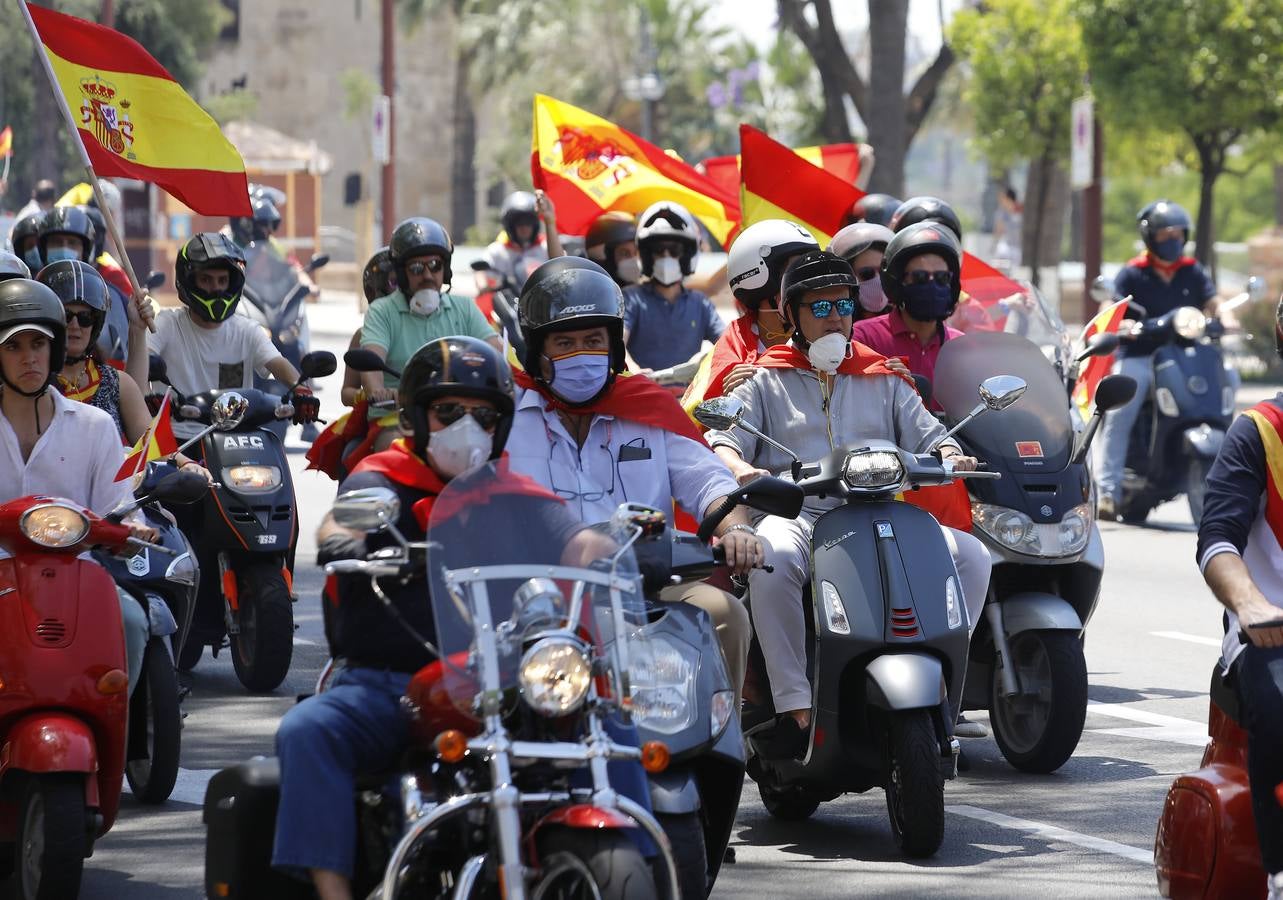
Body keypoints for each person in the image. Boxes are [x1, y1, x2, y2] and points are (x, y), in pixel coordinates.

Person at [273, 335, 614, 899]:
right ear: (416, 417)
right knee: (309, 731)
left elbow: (579, 542)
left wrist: (634, 548)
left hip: (507, 685)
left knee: (611, 726)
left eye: (484, 415)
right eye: (449, 411)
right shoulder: (382, 477)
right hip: (390, 685)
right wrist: (344, 540)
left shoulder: (514, 492)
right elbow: (344, 521)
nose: (467, 426)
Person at [704, 250, 992, 758]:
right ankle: (794, 704)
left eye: (843, 304)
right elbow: (725, 436)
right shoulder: (764, 377)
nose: (835, 316)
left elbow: (930, 433)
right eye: (820, 307)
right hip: (800, 514)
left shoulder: (883, 376)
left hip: (881, 511)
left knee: (971, 556)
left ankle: (944, 686)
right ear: (791, 316)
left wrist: (949, 451)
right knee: (774, 556)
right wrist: (738, 464)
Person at [506, 256, 762, 707]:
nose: (581, 354)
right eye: (564, 343)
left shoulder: (648, 409)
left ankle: (717, 758)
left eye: (593, 341)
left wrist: (736, 528)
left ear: (613, 347)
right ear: (536, 350)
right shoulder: (504, 419)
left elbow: (709, 481)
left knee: (726, 614)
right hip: (538, 592)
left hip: (646, 585)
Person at [0, 278, 152, 694]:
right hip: (2, 581)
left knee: (135, 622)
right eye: (13, 347)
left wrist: (131, 529)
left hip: (78, 577)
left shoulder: (96, 426)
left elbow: (118, 506)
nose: (28, 358)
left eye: (37, 344)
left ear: (53, 349)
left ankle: (126, 747)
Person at [1195, 297, 1283, 898]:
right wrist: (1250, 604)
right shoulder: (1259, 433)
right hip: (1273, 636)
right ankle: (1281, 872)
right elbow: (1217, 539)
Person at [1096, 199, 1217, 520]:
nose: (1173, 240)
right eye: (1165, 235)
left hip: (1183, 358)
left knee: (1227, 379)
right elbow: (1109, 310)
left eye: (1178, 234)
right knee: (1121, 409)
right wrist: (1120, 324)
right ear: (1151, 237)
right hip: (1140, 356)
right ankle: (1107, 491)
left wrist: (1225, 319)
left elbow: (1214, 304)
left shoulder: (1192, 270)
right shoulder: (1133, 273)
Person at [36, 260, 208, 478]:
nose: (75, 325)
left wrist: (187, 465)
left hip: (114, 506)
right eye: (65, 316)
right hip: (48, 507)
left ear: (96, 323)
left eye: (85, 317)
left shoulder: (116, 382)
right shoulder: (32, 383)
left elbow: (151, 446)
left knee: (166, 514)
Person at [147, 233, 319, 437]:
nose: (216, 288)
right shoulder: (167, 324)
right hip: (179, 439)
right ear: (189, 281)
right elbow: (144, 360)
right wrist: (147, 393)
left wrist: (301, 390)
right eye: (206, 280)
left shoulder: (246, 330)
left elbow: (278, 363)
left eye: (222, 280)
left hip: (236, 438)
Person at [359, 216, 497, 450]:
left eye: (435, 266)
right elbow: (372, 364)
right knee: (394, 449)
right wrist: (378, 391)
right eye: (416, 268)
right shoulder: (381, 311)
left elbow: (495, 353)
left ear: (446, 270)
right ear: (402, 274)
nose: (427, 275)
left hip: (459, 417)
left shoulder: (465, 308)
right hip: (398, 419)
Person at [683, 219, 818, 409]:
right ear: (759, 281)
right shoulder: (728, 354)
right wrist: (727, 400)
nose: (808, 286)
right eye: (795, 275)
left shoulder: (830, 335)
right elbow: (698, 423)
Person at [850, 221, 964, 393]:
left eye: (942, 278)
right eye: (920, 277)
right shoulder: (864, 339)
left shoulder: (961, 348)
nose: (932, 286)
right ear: (898, 282)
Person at [623, 200, 724, 376]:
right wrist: (634, 371)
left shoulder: (699, 303)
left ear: (687, 255)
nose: (666, 256)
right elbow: (617, 341)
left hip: (688, 399)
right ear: (647, 255)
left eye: (674, 249)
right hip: (643, 392)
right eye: (658, 249)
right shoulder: (631, 298)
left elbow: (727, 343)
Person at [482, 190, 563, 291]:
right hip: (507, 303)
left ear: (535, 224)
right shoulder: (497, 250)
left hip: (540, 301)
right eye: (519, 223)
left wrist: (549, 221)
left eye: (528, 222)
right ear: (510, 225)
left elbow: (561, 263)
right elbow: (481, 274)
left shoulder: (544, 246)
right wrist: (483, 285)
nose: (524, 227)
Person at [829, 221, 895, 321]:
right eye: (867, 273)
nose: (878, 280)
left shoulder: (906, 320)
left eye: (883, 272)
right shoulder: (832, 322)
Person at [584, 211, 641, 288]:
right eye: (624, 253)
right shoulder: (588, 293)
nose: (634, 260)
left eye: (636, 252)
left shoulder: (647, 293)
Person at [993, 186, 1023, 267]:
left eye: (1003, 198)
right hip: (1006, 246)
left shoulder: (1020, 211)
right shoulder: (1001, 213)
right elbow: (999, 230)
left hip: (1016, 248)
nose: (1001, 201)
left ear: (1009, 198)